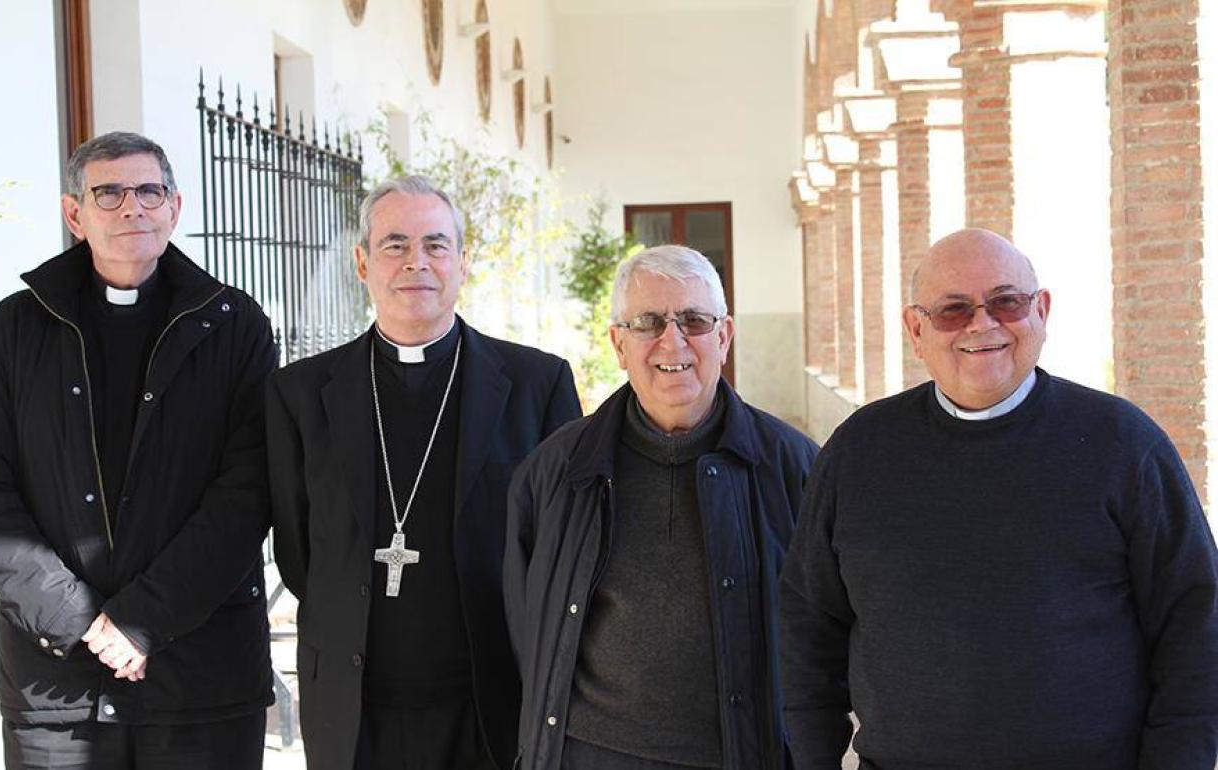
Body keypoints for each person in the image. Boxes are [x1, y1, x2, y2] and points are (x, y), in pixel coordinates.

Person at [780, 228, 1218, 769]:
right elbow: (808, 627)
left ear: (1042, 312)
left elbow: (1196, 626)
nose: (982, 324)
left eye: (1006, 302)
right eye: (953, 310)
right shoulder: (858, 452)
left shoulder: (1124, 445)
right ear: (916, 329)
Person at [0, 131, 277, 769]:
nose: (131, 207)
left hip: (200, 673)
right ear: (74, 214)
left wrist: (142, 620)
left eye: (148, 191)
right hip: (56, 683)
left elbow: (249, 490)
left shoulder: (237, 326)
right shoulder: (14, 328)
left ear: (175, 207)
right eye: (108, 193)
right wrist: (76, 618)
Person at [267, 175, 582, 770]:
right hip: (355, 711)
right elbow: (300, 552)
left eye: (437, 245)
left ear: (463, 262)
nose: (417, 262)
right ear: (362, 263)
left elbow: (561, 549)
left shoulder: (537, 386)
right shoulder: (300, 394)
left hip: (491, 701)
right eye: (394, 245)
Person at [505, 244, 819, 770]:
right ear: (618, 344)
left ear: (724, 337)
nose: (672, 340)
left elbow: (825, 637)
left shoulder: (792, 467)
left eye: (694, 320)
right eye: (649, 322)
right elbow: (524, 627)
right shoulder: (555, 472)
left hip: (740, 755)